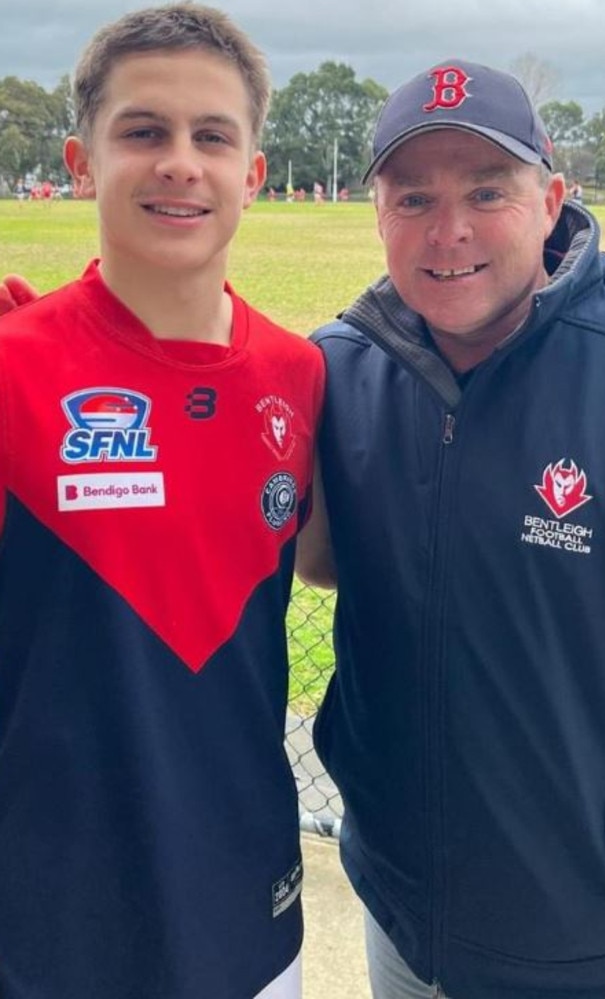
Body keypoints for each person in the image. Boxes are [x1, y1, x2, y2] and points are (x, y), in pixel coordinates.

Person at [297, 59, 605, 998]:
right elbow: (319, 560)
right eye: (413, 197)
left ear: (552, 200)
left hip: (598, 938)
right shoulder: (338, 368)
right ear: (376, 213)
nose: (447, 231)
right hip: (402, 907)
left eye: (486, 190)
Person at [0, 5, 324, 999]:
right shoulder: (13, 369)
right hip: (46, 919)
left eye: (211, 136)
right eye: (144, 131)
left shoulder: (301, 375)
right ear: (83, 160)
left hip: (249, 905)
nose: (180, 162)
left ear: (252, 174)